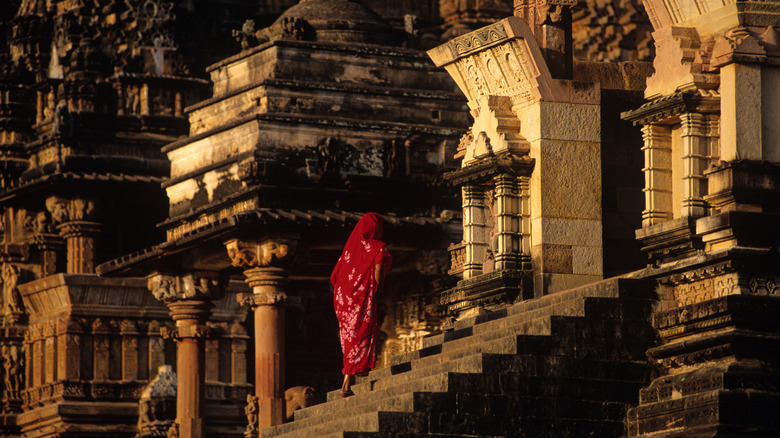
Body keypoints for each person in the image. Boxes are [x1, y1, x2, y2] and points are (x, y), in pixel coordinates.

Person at [330, 212, 392, 397]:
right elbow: (379, 269)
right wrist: (378, 288)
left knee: (350, 337)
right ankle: (347, 382)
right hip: (361, 298)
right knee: (361, 334)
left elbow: (334, 276)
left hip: (343, 299)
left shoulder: (349, 251)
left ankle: (354, 374)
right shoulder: (377, 247)